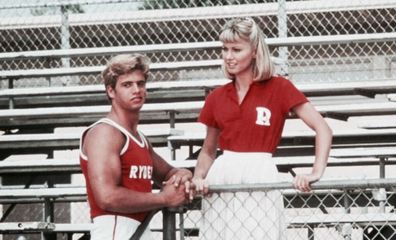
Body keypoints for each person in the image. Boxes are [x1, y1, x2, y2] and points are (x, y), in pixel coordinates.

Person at [190, 17, 333, 239]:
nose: (229, 56)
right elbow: (208, 150)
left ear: (255, 51)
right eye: (225, 49)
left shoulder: (279, 87)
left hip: (260, 173)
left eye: (236, 49)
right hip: (223, 176)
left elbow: (323, 128)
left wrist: (316, 171)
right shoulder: (216, 96)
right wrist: (199, 177)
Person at [79, 54, 192, 240]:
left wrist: (183, 176)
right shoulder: (104, 133)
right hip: (114, 229)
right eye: (127, 85)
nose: (136, 90)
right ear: (111, 91)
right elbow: (107, 197)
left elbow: (169, 172)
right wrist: (164, 198)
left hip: (139, 228)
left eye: (140, 84)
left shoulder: (140, 139)